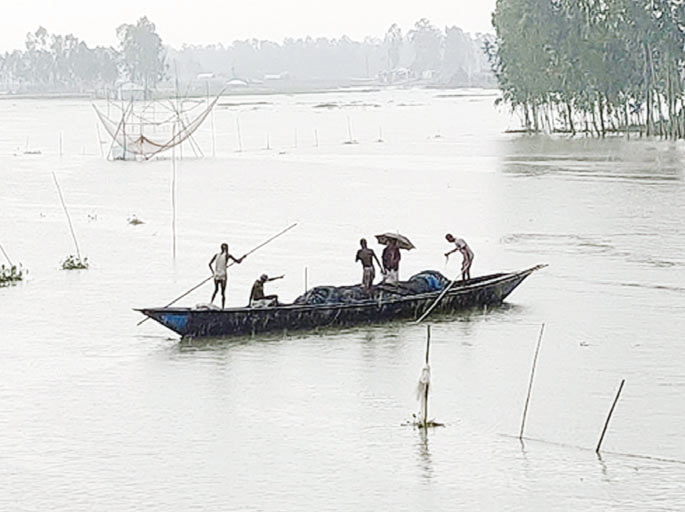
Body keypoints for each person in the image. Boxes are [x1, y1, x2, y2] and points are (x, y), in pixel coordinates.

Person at [209, 243, 244, 308]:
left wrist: (213, 272)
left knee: (216, 290)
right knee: (222, 292)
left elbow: (209, 264)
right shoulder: (227, 255)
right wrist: (243, 258)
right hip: (222, 275)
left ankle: (211, 303)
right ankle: (222, 307)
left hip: (216, 275)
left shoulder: (217, 255)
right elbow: (238, 262)